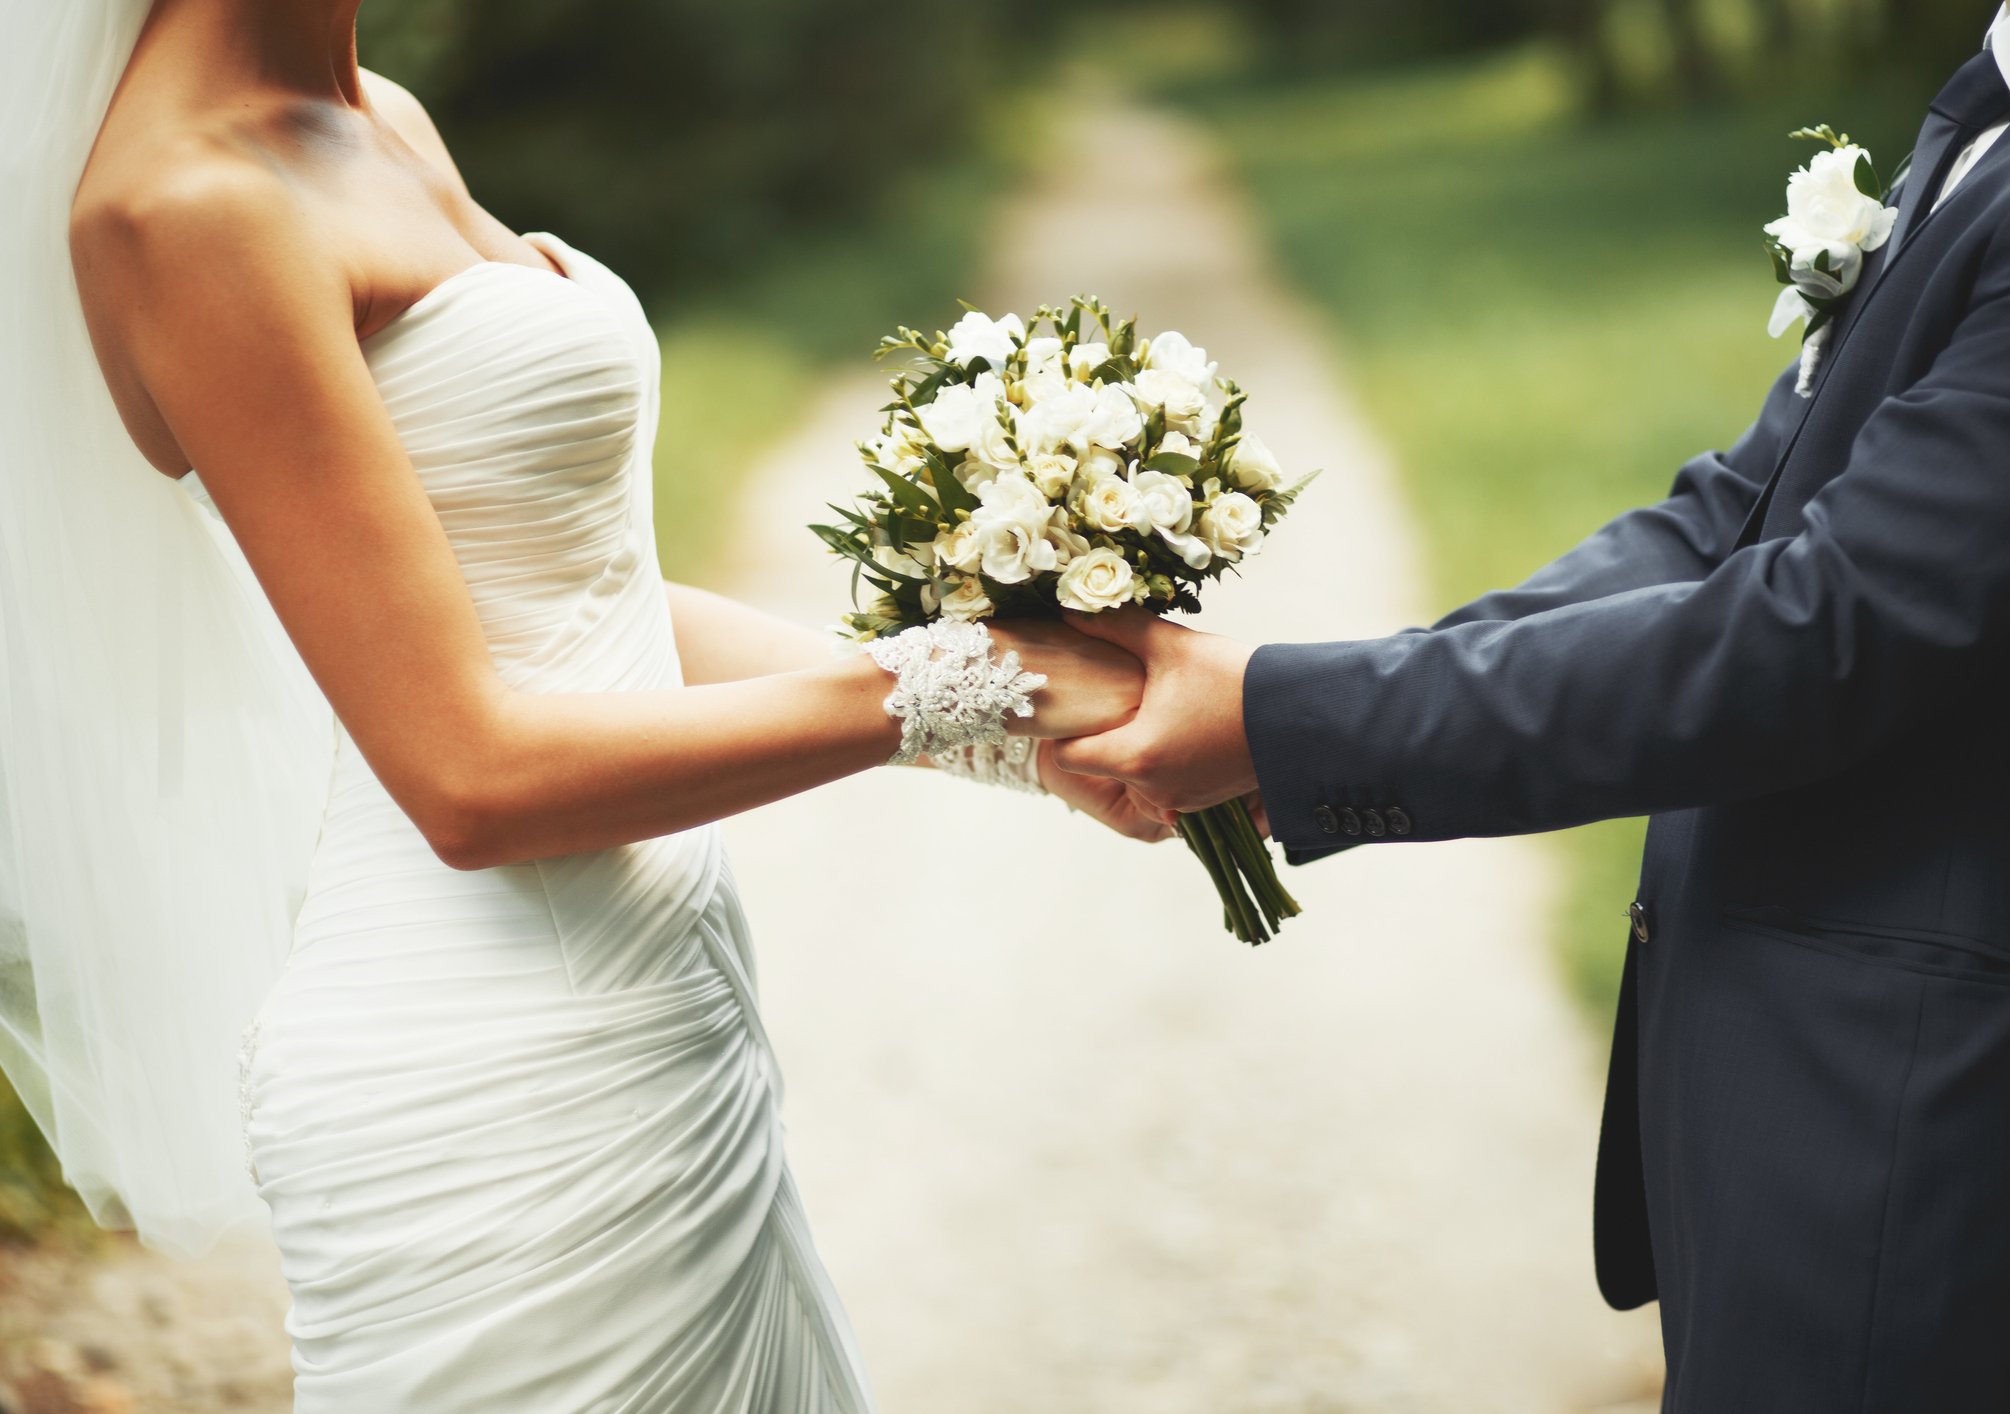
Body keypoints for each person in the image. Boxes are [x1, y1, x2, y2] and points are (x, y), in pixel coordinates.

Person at [0, 0, 1161, 1408]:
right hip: (492, 1090)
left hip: (669, 1023)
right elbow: (469, 775)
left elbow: (583, 606)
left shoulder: (379, 116)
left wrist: (1016, 729)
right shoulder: (184, 204)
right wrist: (970, 679)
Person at [1056, 0, 2010, 1407]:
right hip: (1800, 1119)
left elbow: (1824, 631)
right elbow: (1731, 514)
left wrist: (1281, 722)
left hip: (1931, 1142)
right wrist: (1306, 702)